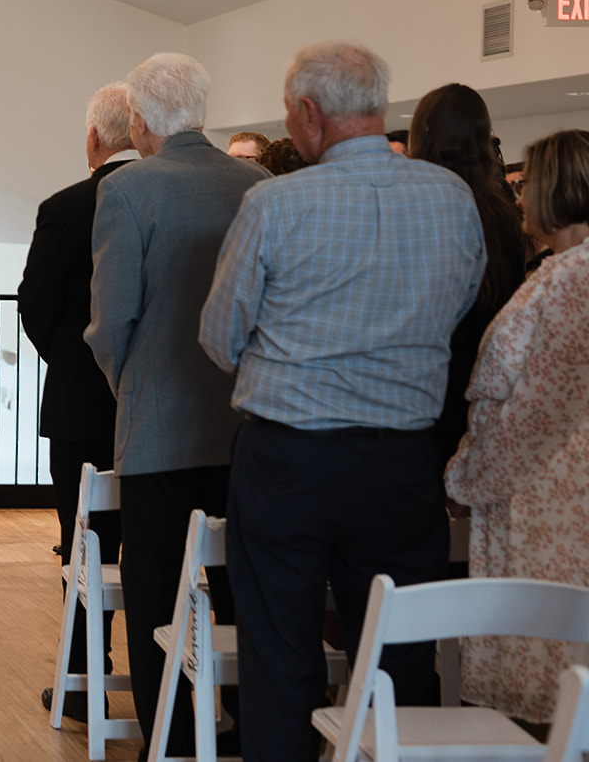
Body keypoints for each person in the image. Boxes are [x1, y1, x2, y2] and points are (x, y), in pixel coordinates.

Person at [201, 42, 486, 761]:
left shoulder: (273, 201)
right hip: (400, 461)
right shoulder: (450, 197)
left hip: (287, 455)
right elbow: (459, 305)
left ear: (308, 114)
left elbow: (220, 336)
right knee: (398, 657)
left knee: (279, 651)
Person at [84, 52, 264, 757]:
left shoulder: (128, 189)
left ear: (137, 121)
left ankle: (175, 736)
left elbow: (111, 320)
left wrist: (130, 387)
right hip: (247, 424)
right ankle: (248, 731)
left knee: (158, 595)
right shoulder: (259, 181)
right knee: (241, 593)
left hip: (158, 430)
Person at [446, 128, 589, 725]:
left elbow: (518, 410)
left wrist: (462, 478)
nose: (521, 197)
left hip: (544, 513)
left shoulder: (560, 286)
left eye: (528, 184)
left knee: (547, 702)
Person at [18, 82, 133, 720]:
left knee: (82, 540)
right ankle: (168, 669)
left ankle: (89, 676)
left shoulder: (65, 206)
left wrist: (71, 362)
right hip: (164, 406)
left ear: (93, 139)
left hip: (81, 402)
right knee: (161, 542)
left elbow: (35, 302)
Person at [406, 83, 528, 464]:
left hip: (416, 389)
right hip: (481, 387)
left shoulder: (413, 204)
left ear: (423, 133)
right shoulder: (503, 214)